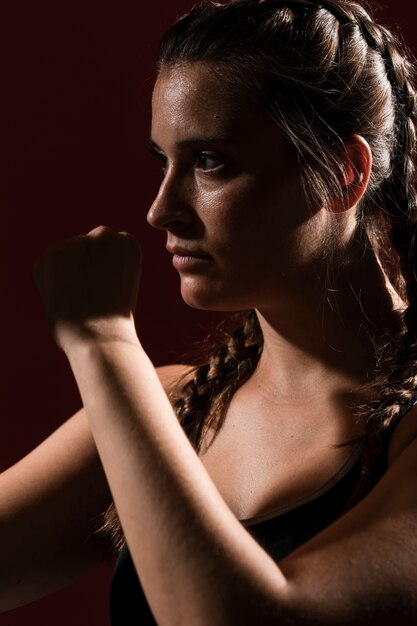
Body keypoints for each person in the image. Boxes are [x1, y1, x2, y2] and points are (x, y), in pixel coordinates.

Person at [2, 0, 417, 623]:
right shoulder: (174, 407)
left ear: (343, 172)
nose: (160, 210)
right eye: (163, 162)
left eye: (211, 161)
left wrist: (104, 344)